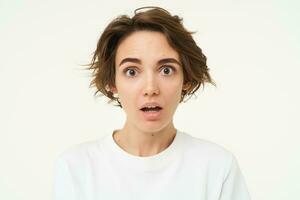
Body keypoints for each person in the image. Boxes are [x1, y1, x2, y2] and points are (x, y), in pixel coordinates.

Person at [53, 6, 251, 200]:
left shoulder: (217, 167)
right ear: (112, 83)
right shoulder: (76, 167)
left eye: (166, 70)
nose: (150, 88)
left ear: (186, 79)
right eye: (131, 71)